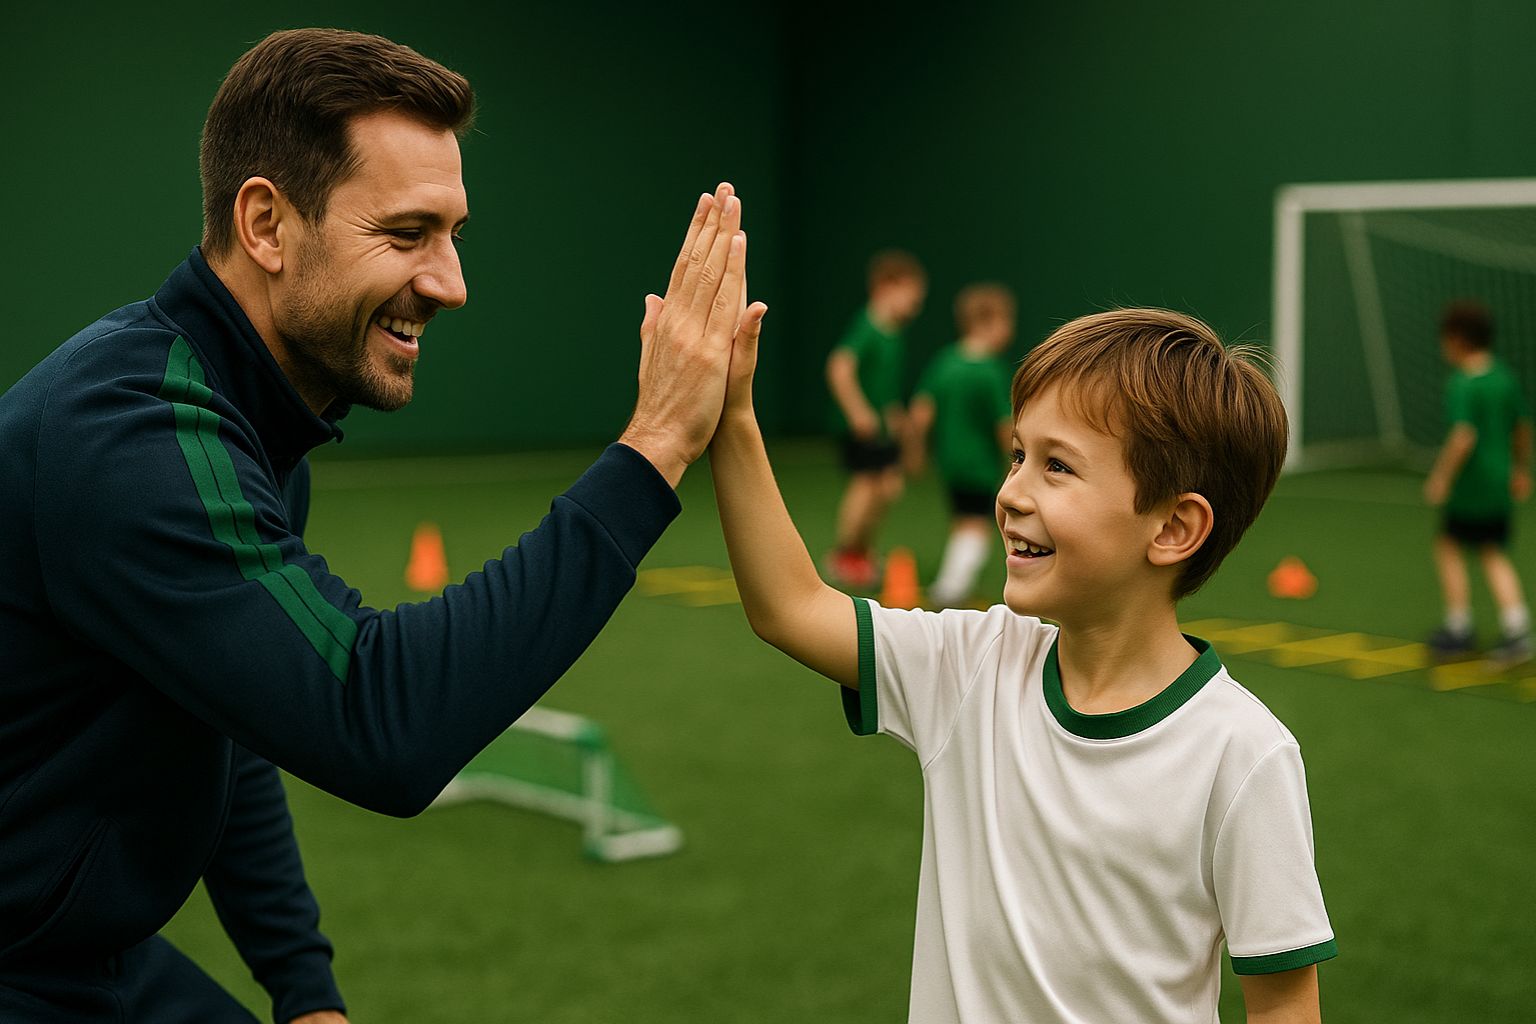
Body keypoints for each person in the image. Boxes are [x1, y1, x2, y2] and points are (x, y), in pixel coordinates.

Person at [0, 28, 753, 1023]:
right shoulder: (134, 439)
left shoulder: (240, 416)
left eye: (453, 236)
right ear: (267, 224)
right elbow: (377, 718)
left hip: (77, 958)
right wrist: (654, 445)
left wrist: (305, 991)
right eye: (406, 235)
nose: (449, 282)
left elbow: (232, 720)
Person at [710, 308, 1336, 1023]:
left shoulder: (1244, 753)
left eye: (1057, 466)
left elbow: (1285, 1005)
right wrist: (732, 419)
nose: (1011, 493)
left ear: (1172, 528)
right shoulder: (972, 666)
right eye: (1016, 455)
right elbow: (788, 608)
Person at [1423, 300, 1533, 666]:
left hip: (1472, 487)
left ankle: (1459, 626)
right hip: (1500, 482)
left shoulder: (1462, 383)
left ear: (1456, 340)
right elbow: (1521, 429)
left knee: (1448, 545)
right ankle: (1517, 626)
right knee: (1491, 551)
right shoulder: (1504, 378)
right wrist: (1519, 469)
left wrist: (1441, 476)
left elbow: (1463, 437)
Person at [907, 282, 1017, 607]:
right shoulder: (989, 371)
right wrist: (1017, 459)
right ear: (988, 321)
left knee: (962, 519)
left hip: (950, 461)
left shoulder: (946, 361)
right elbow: (1003, 425)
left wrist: (916, 452)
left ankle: (953, 582)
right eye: (1005, 321)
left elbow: (921, 413)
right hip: (979, 465)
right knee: (976, 524)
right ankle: (951, 587)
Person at [824, 249, 927, 590]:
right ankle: (844, 556)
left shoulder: (892, 333)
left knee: (887, 487)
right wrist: (858, 411)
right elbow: (839, 367)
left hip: (882, 427)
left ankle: (861, 552)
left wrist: (897, 420)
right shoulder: (867, 325)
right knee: (867, 486)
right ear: (886, 286)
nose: (915, 304)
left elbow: (886, 390)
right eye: (911, 295)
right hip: (862, 429)